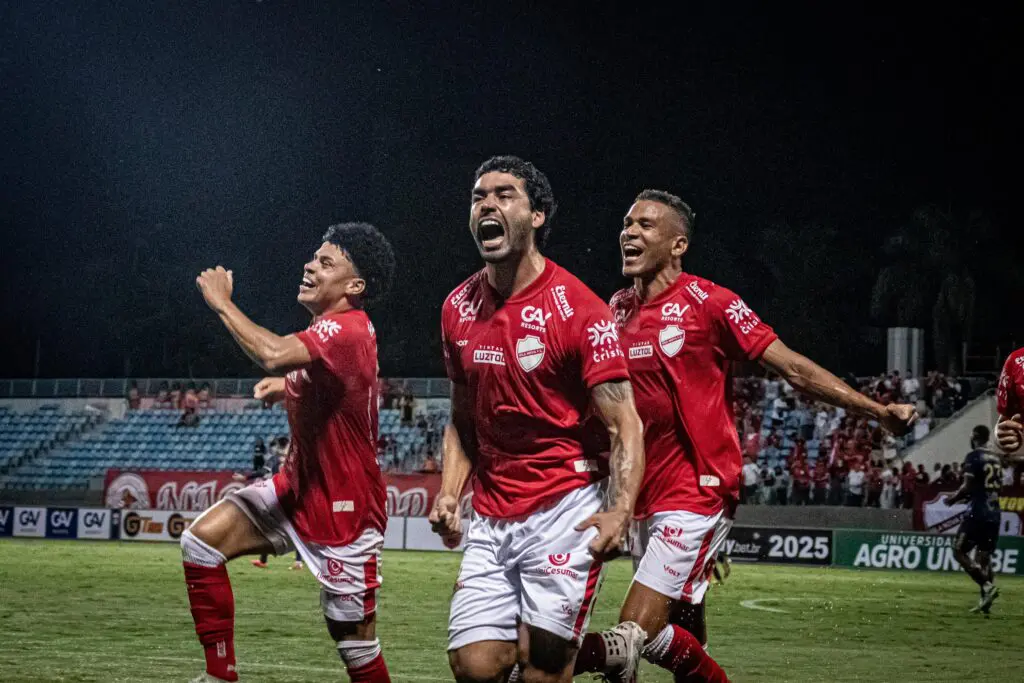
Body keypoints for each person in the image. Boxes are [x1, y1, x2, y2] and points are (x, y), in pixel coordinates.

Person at [575, 189, 918, 683]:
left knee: (633, 634)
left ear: (678, 244)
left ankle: (536, 665)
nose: (629, 232)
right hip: (642, 492)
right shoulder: (617, 309)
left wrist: (876, 410)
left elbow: (794, 369)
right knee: (674, 630)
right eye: (627, 223)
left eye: (646, 225)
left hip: (700, 485)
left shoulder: (711, 303)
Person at [429, 156, 646, 683]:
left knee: (544, 666)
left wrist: (621, 510)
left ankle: (600, 654)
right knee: (474, 666)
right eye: (479, 196)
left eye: (505, 195)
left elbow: (626, 425)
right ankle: (612, 655)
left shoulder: (580, 309)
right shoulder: (457, 307)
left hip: (564, 506)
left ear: (538, 215)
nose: (487, 204)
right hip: (493, 509)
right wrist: (450, 492)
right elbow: (462, 420)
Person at [184, 222, 396, 683]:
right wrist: (287, 388)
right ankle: (221, 676)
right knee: (200, 544)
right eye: (313, 257)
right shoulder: (330, 331)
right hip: (294, 491)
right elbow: (325, 380)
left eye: (326, 262)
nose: (309, 265)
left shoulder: (347, 328)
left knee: (355, 646)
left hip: (345, 511)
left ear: (354, 285)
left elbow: (274, 352)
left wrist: (222, 302)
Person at [946, 426, 1004, 613]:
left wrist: (953, 498)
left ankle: (987, 587)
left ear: (975, 437)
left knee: (958, 550)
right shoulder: (996, 458)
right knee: (984, 558)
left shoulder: (973, 457)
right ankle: (986, 602)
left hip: (977, 512)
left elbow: (967, 485)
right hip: (994, 512)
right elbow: (989, 488)